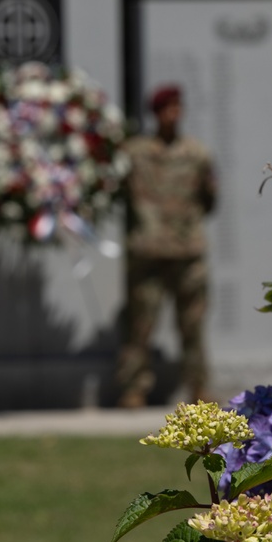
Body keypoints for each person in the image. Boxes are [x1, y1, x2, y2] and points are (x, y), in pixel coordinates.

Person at [116, 85, 217, 408]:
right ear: (155, 113)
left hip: (187, 252)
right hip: (148, 252)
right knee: (141, 326)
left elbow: (210, 198)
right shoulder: (135, 153)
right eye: (166, 108)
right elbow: (117, 191)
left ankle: (198, 387)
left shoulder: (197, 154)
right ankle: (134, 388)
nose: (173, 113)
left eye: (177, 106)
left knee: (192, 326)